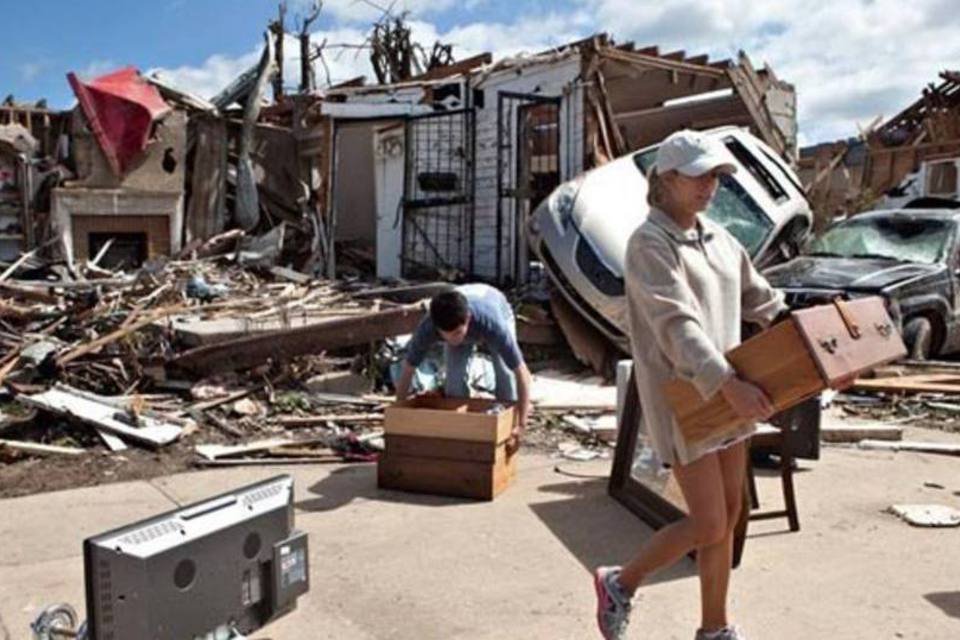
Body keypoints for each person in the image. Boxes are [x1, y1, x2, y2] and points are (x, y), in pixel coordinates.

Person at [592, 130, 787, 640]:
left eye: (717, 177)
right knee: (708, 523)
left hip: (728, 392)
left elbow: (758, 296)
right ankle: (620, 581)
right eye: (699, 176)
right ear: (667, 179)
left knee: (731, 512)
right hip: (687, 398)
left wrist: (804, 325)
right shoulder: (649, 245)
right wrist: (727, 384)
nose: (710, 187)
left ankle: (714, 627)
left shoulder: (719, 239)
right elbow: (677, 328)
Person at [395, 284, 532, 438]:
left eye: (457, 333)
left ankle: (506, 430)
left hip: (495, 307)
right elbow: (408, 370)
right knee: (454, 383)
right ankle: (461, 432)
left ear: (468, 318)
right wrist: (399, 414)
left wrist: (521, 424)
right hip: (462, 312)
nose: (452, 339)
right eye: (446, 335)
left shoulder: (493, 323)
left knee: (505, 374)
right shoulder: (428, 327)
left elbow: (522, 373)